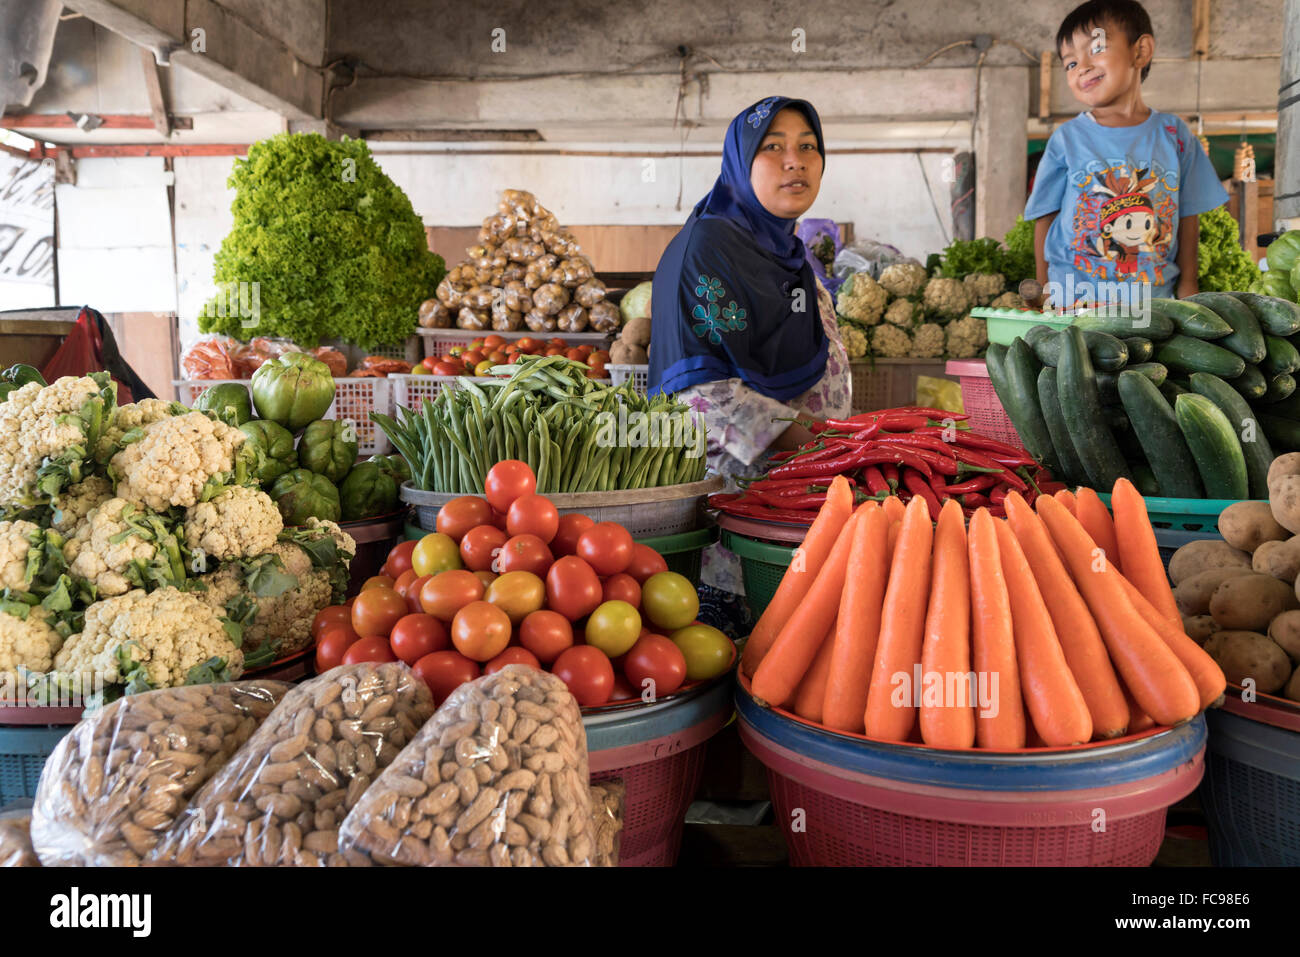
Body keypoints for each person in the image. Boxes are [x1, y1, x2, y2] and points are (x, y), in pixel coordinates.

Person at [648, 96, 851, 636]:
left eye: (809, 147)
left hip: (795, 514)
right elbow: (698, 397)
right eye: (773, 148)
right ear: (740, 160)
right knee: (739, 663)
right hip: (731, 526)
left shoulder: (790, 252)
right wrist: (818, 442)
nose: (796, 161)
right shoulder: (705, 251)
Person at [1026, 0, 1227, 311]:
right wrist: (1042, 289)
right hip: (1073, 301)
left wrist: (1189, 284)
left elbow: (1188, 215)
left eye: (1096, 49)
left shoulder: (1175, 134)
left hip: (1151, 303)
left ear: (1140, 51)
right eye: (1070, 64)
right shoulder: (1067, 138)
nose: (1083, 67)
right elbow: (1046, 218)